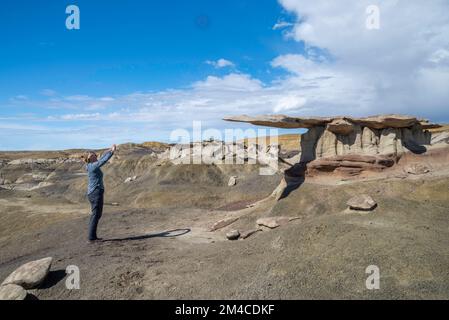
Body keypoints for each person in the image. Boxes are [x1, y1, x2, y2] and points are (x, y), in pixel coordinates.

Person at [81, 144, 117, 242]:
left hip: (94, 192)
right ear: (89, 158)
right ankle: (91, 238)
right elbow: (103, 161)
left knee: (97, 215)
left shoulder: (91, 165)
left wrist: (109, 151)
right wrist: (112, 152)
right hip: (95, 192)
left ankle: (93, 236)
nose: (96, 156)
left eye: (95, 155)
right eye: (93, 155)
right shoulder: (92, 166)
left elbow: (101, 158)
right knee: (96, 215)